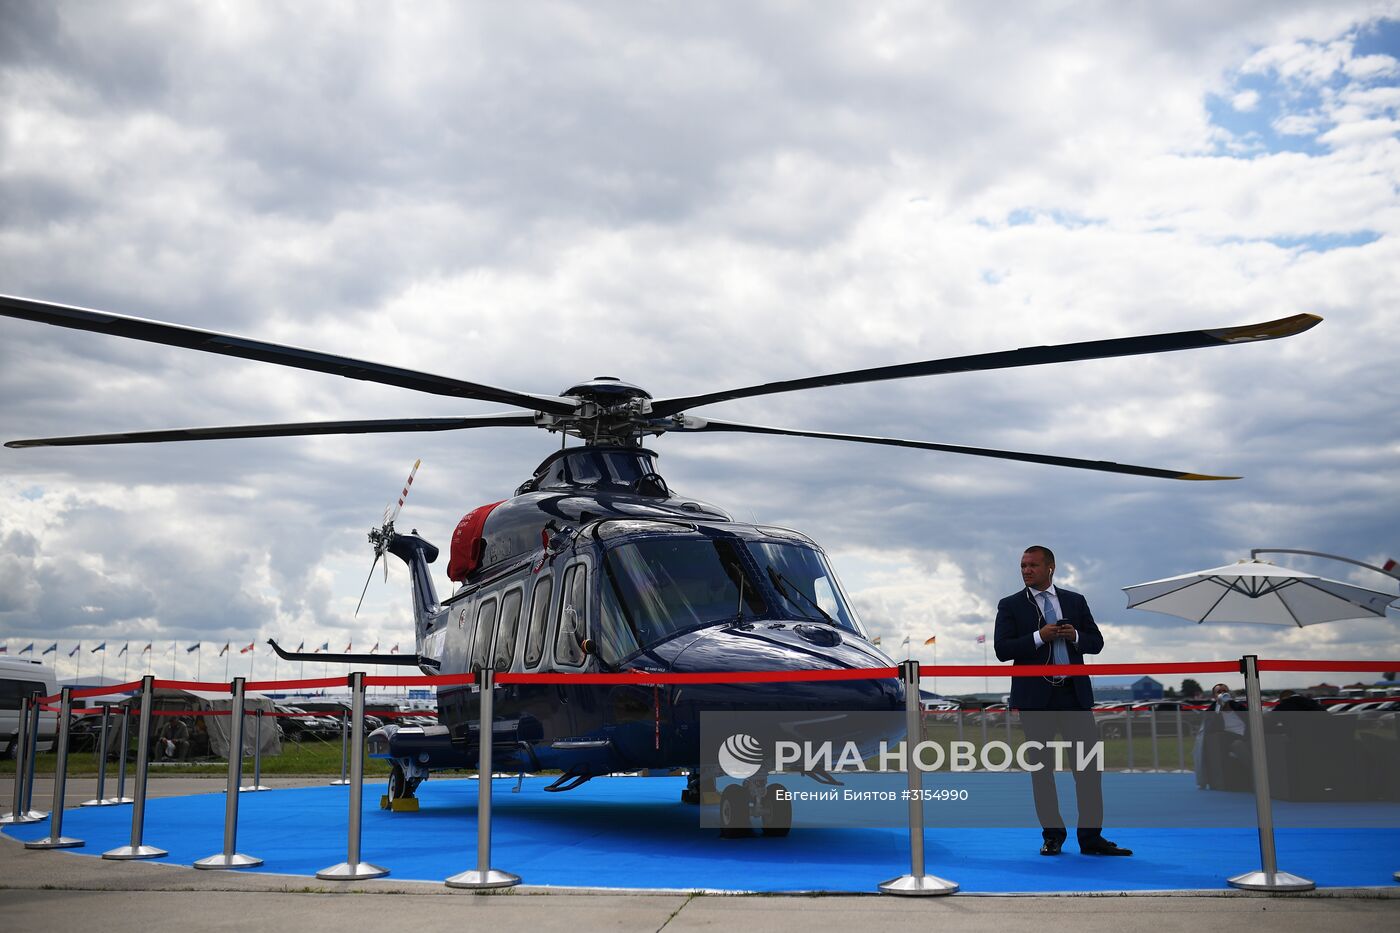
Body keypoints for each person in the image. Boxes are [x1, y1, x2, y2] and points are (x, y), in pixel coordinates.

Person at [994, 545, 1131, 857]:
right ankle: (1053, 835)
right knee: (1041, 773)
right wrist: (1040, 636)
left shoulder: (1074, 600)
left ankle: (1091, 838)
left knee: (1087, 770)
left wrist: (1076, 637)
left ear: (1050, 567)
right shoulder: (1010, 605)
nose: (1026, 570)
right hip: (1035, 701)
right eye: (1023, 565)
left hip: (1074, 696)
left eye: (1032, 565)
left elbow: (1096, 642)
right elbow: (1002, 649)